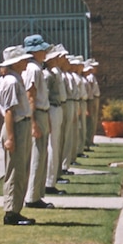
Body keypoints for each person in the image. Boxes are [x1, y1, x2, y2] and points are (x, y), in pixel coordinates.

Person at [0, 45, 36, 226]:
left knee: (21, 169)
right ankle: (11, 212)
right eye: (23, 59)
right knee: (15, 170)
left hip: (22, 125)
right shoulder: (11, 82)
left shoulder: (16, 79)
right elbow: (9, 111)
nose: (26, 62)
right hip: (16, 127)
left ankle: (16, 210)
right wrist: (11, 137)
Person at [22, 34, 54, 210]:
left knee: (42, 155)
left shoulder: (36, 68)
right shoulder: (33, 69)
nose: (45, 52)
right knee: (37, 155)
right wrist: (34, 123)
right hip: (37, 114)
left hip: (42, 112)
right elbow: (31, 97)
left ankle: (36, 194)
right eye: (42, 49)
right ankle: (32, 197)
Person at [44, 44, 69, 195]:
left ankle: (52, 179)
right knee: (52, 146)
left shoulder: (55, 73)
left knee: (56, 145)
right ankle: (48, 181)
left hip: (57, 107)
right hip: (52, 109)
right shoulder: (48, 74)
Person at [84, 59, 101, 150]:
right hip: (92, 99)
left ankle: (91, 140)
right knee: (91, 121)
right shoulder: (90, 77)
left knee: (94, 121)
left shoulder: (92, 76)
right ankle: (88, 140)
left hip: (94, 98)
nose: (95, 68)